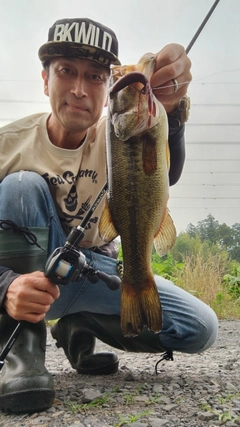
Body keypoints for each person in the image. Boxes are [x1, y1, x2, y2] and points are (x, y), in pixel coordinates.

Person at [0, 17, 218, 414]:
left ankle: (79, 323)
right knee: (19, 187)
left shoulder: (121, 130)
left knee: (200, 328)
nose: (80, 89)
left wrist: (173, 107)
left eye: (96, 76)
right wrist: (6, 286)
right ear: (46, 80)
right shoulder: (7, 146)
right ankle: (21, 353)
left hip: (93, 268)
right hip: (26, 283)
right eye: (66, 71)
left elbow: (164, 172)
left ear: (106, 89)